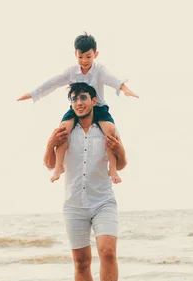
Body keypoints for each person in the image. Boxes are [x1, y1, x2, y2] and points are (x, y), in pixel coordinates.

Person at [44, 82, 128, 281]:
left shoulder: (107, 128)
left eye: (83, 97)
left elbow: (121, 164)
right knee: (81, 262)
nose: (78, 102)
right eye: (74, 99)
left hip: (103, 200)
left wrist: (120, 150)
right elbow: (50, 163)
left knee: (108, 251)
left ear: (93, 101)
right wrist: (50, 143)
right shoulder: (64, 130)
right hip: (74, 204)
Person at [18, 32, 138, 183]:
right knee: (62, 130)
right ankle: (58, 167)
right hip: (77, 108)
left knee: (110, 131)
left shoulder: (99, 70)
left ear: (96, 54)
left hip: (99, 108)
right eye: (80, 57)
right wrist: (33, 93)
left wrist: (125, 89)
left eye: (88, 56)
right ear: (75, 54)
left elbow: (111, 79)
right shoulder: (71, 71)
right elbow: (53, 83)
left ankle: (112, 168)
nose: (84, 61)